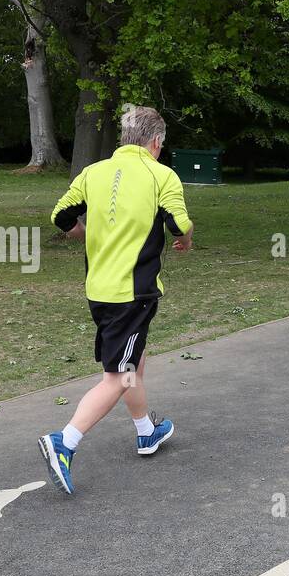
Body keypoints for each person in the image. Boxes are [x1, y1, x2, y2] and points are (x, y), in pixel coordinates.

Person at [38, 105, 193, 495]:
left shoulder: (92, 172)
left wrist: (80, 231)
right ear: (156, 142)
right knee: (117, 376)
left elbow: (61, 214)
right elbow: (178, 224)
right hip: (133, 294)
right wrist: (185, 241)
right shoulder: (162, 175)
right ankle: (65, 442)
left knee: (133, 362)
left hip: (99, 290)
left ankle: (146, 432)